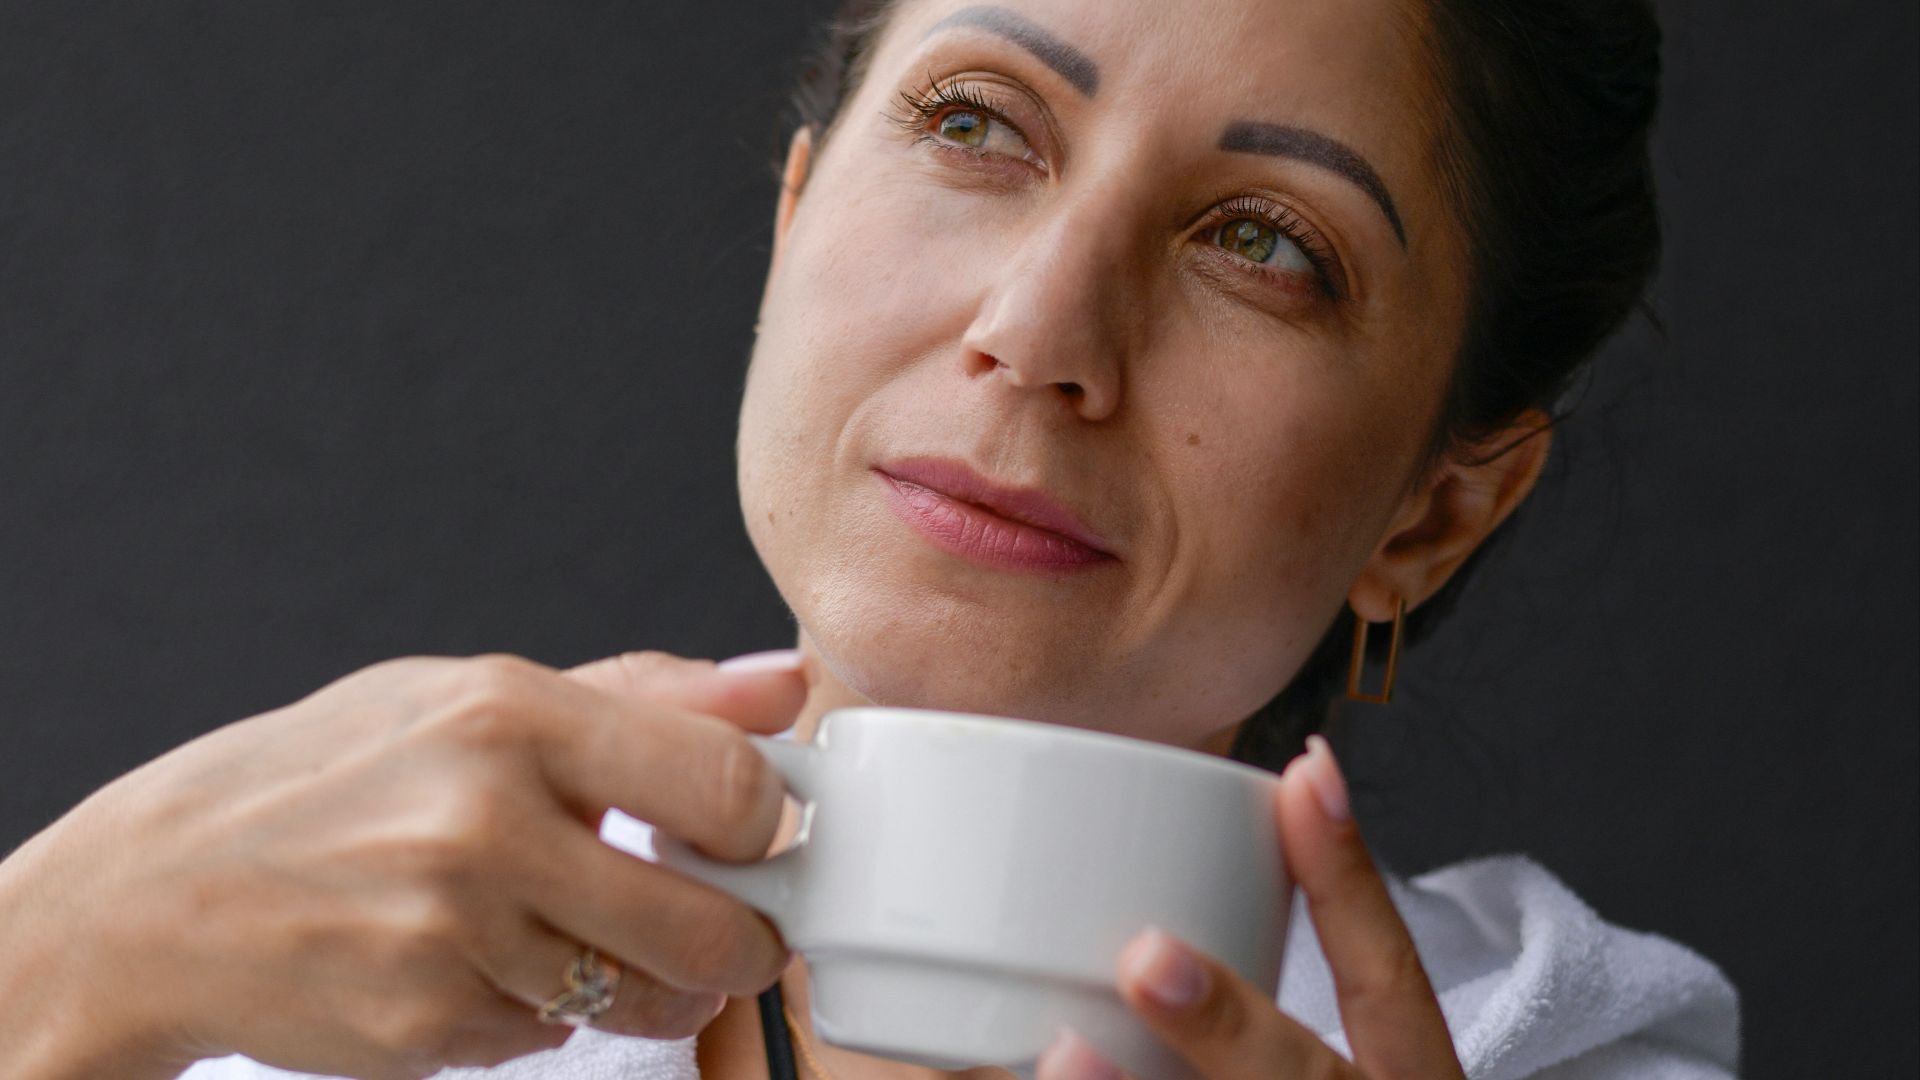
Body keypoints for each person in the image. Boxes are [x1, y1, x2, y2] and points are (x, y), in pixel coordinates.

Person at [0, 0, 1743, 1077]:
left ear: (1435, 512)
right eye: (977, 124)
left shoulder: (1564, 1057)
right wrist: (67, 950)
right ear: (794, 219)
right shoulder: (293, 982)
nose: (1039, 330)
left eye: (1265, 245)